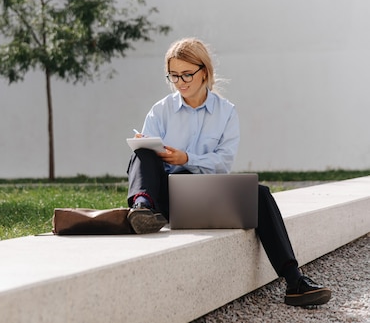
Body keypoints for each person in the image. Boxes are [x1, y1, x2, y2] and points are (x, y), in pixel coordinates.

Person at [126, 37, 331, 307]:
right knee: (142, 152)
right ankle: (141, 210)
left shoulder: (226, 113)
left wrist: (186, 157)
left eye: (187, 74)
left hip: (203, 196)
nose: (181, 82)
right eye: (174, 76)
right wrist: (156, 150)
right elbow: (148, 163)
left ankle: (295, 282)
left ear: (204, 72)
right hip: (164, 198)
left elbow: (223, 162)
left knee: (259, 194)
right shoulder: (161, 110)